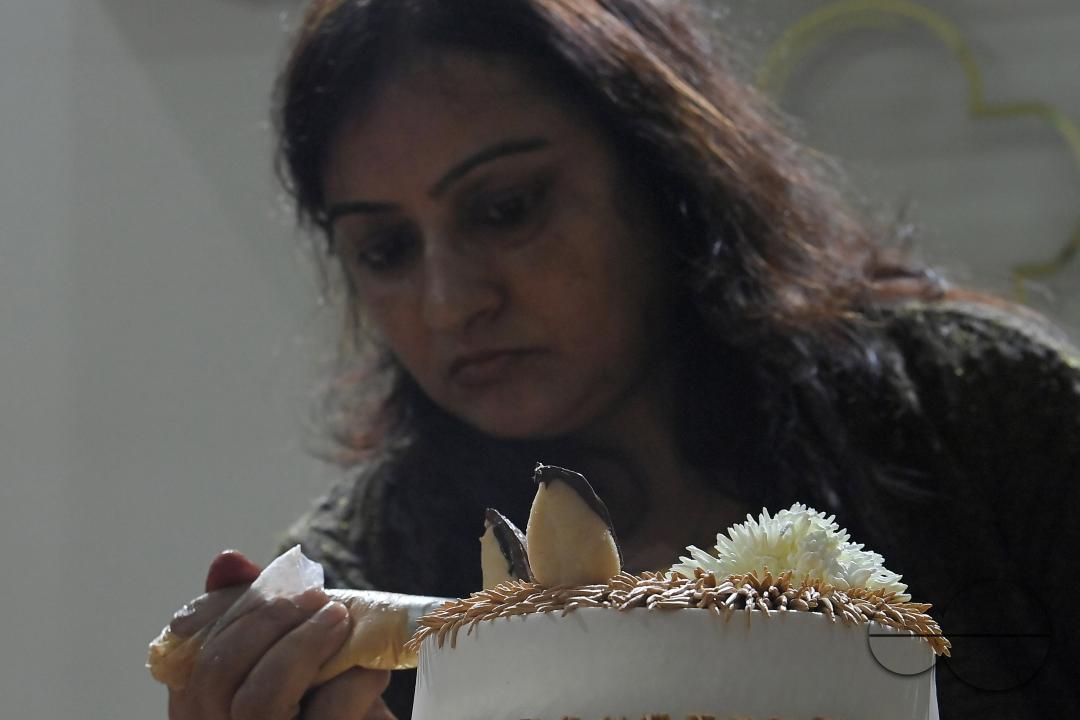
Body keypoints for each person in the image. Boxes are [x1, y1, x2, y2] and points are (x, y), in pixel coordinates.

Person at [162, 0, 1080, 718]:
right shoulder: (340, 594)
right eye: (386, 249)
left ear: (662, 169)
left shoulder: (981, 420)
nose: (451, 302)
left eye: (507, 208)